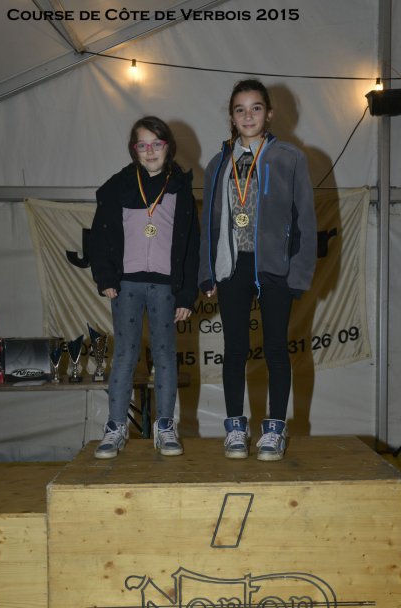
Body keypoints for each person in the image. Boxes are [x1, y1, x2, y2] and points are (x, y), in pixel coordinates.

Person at [198, 79, 317, 461]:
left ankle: (274, 429)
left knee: (276, 348)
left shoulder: (290, 158)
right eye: (240, 109)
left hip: (274, 267)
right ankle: (235, 427)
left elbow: (305, 220)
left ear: (269, 114)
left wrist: (298, 274)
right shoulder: (218, 163)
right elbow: (209, 222)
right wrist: (207, 271)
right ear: (231, 117)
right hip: (232, 266)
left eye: (255, 108)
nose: (248, 116)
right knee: (234, 349)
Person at [89, 116, 199, 459]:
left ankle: (165, 426)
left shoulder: (180, 187)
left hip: (165, 286)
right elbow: (98, 237)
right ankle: (115, 426)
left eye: (157, 144)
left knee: (165, 355)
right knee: (125, 354)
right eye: (142, 144)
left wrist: (187, 293)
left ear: (168, 147)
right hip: (126, 285)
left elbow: (192, 245)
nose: (150, 151)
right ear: (133, 149)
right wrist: (106, 277)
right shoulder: (118, 186)